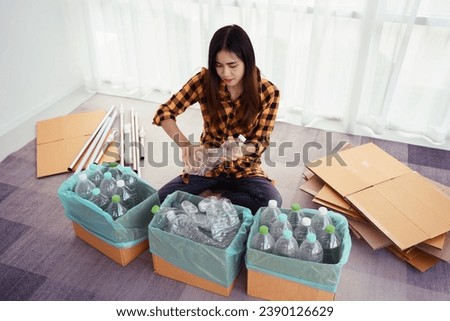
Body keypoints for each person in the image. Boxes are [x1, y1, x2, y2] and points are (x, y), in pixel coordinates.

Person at [152, 24, 282, 214]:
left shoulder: (268, 92)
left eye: (232, 65)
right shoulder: (204, 81)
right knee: (159, 201)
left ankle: (213, 198)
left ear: (247, 61)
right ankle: (217, 200)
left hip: (243, 170)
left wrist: (242, 150)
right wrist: (186, 146)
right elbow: (165, 113)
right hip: (207, 166)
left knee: (271, 201)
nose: (225, 73)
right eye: (219, 65)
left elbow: (261, 141)